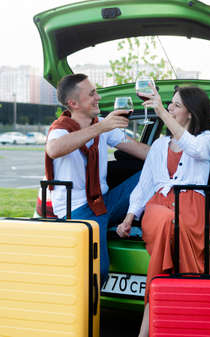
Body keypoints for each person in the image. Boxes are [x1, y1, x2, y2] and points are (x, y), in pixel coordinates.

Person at [116, 85, 210, 337]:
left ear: (190, 113)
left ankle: (146, 327)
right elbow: (145, 184)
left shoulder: (205, 140)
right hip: (159, 206)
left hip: (192, 209)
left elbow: (194, 149)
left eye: (176, 105)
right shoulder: (160, 145)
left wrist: (160, 111)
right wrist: (129, 218)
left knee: (172, 224)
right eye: (169, 104)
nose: (170, 107)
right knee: (166, 221)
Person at [45, 73, 149, 285]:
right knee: (97, 273)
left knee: (150, 175)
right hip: (78, 211)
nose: (98, 98)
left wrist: (179, 152)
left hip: (104, 202)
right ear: (73, 103)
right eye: (92, 94)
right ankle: (85, 314)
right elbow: (54, 149)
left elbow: (141, 150)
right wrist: (101, 128)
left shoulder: (101, 124)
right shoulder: (60, 130)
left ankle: (136, 223)